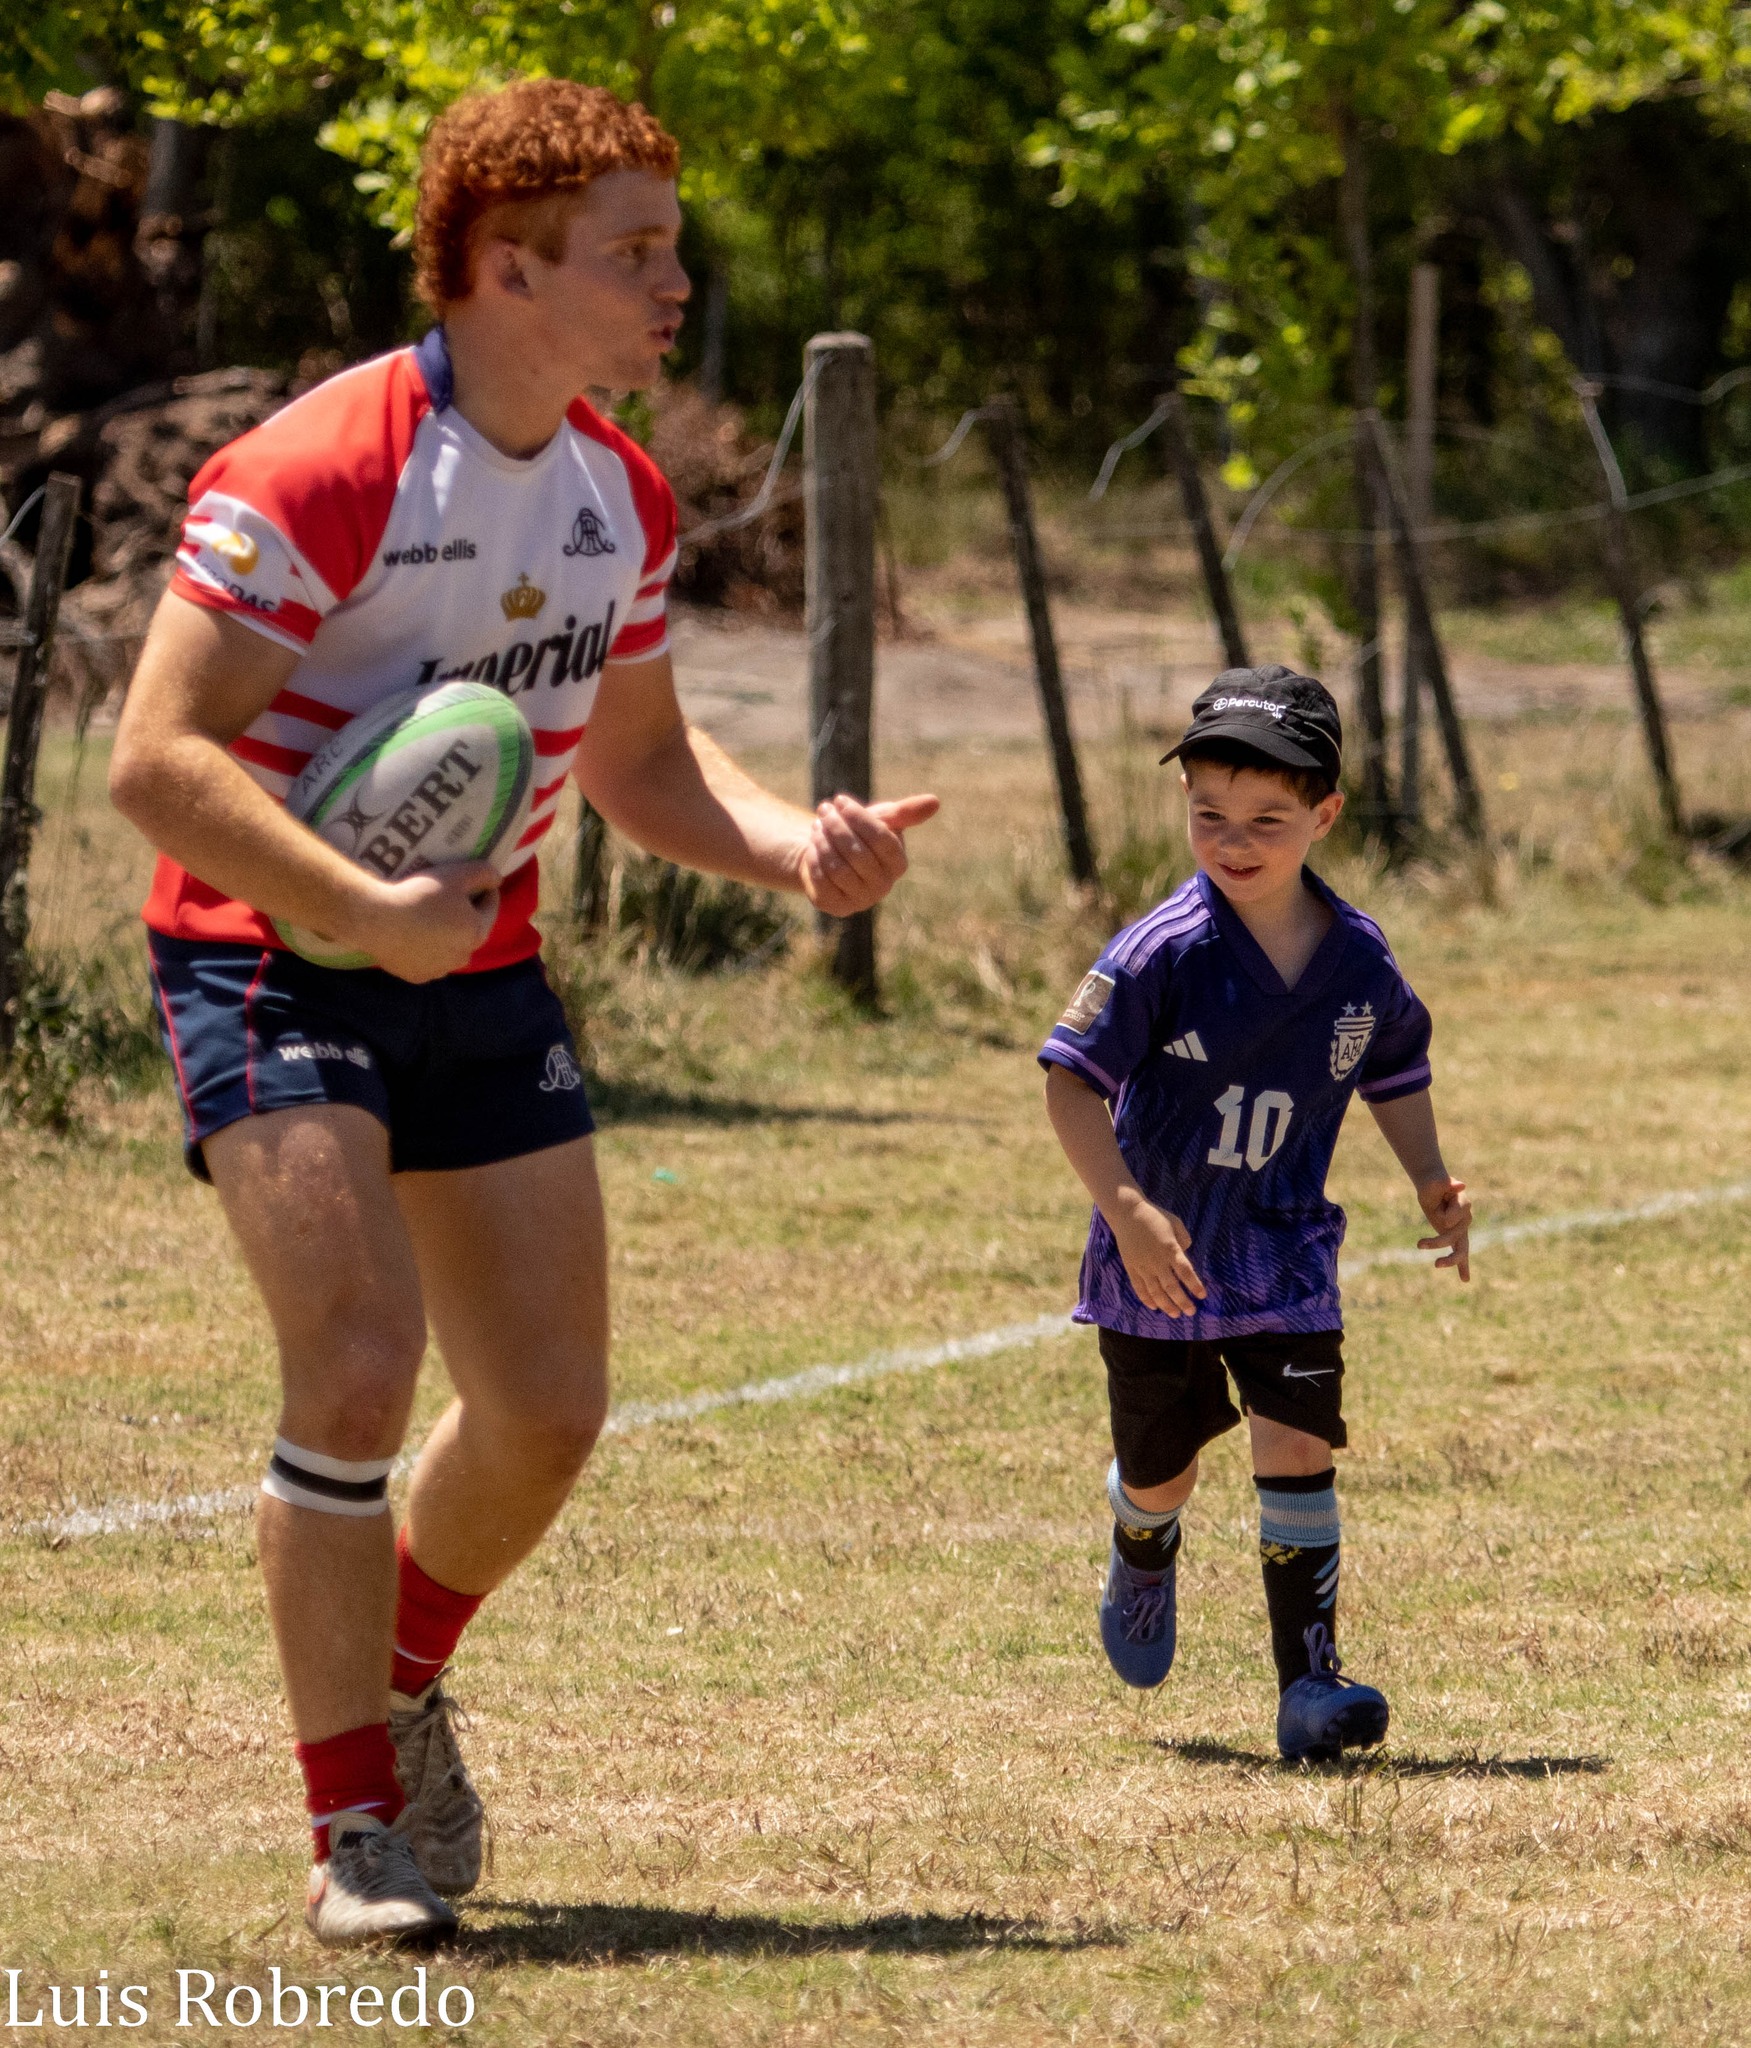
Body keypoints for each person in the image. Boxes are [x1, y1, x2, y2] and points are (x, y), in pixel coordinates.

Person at [108, 77, 937, 1946]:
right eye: (636, 249)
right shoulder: (315, 470)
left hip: (472, 970)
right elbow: (156, 761)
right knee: (354, 1358)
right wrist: (353, 910)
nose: (675, 281)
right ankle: (352, 1834)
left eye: (669, 242)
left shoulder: (613, 491)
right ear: (504, 264)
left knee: (549, 1409)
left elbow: (640, 767)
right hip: (263, 948)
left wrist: (796, 847)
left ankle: (395, 1686)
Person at [1039, 667, 1469, 1762]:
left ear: (1323, 814)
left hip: (1283, 1249)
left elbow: (1394, 1065)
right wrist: (1126, 1208)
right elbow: (1068, 1081)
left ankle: (1308, 1686)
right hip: (1160, 1262)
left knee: (1295, 1445)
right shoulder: (1159, 952)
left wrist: (1428, 1178)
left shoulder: (1356, 958)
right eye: (1207, 815)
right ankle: (1140, 1537)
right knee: (1163, 1468)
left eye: (1266, 819)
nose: (1233, 840)